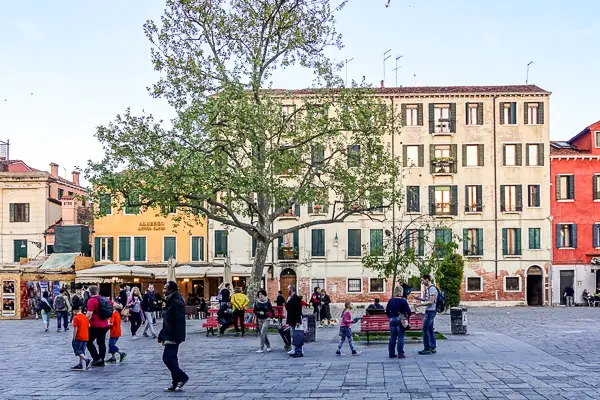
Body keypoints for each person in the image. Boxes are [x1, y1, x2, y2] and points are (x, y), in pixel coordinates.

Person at [158, 281, 189, 392]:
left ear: (171, 290)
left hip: (173, 335)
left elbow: (179, 322)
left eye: (166, 288)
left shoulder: (176, 302)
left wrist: (176, 337)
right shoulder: (171, 301)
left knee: (167, 358)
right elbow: (167, 320)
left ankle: (183, 377)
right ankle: (175, 382)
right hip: (169, 334)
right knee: (173, 359)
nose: (164, 290)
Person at [86, 285, 111, 367]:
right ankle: (102, 359)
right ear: (97, 292)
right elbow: (115, 305)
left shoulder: (91, 301)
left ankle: (96, 358)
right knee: (101, 342)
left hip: (95, 325)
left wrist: (84, 322)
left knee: (88, 341)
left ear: (90, 293)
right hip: (105, 325)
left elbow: (89, 313)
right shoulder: (104, 299)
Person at [386, 287, 412, 359]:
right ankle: (400, 354)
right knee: (400, 337)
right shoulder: (403, 301)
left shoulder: (391, 300)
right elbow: (408, 312)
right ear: (401, 292)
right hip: (401, 320)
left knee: (392, 337)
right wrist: (406, 317)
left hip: (392, 320)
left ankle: (391, 354)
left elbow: (387, 311)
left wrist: (390, 317)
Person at [415, 274, 438, 355]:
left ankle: (427, 348)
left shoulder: (432, 289)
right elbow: (427, 299)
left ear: (427, 279)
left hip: (431, 311)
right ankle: (433, 347)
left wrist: (420, 305)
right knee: (430, 329)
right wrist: (419, 299)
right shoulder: (429, 289)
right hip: (430, 311)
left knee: (425, 329)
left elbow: (431, 302)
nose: (422, 282)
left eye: (423, 280)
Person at [71, 305, 92, 370]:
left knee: (77, 350)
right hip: (85, 337)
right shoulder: (85, 317)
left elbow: (75, 329)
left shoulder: (76, 318)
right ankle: (80, 364)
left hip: (79, 337)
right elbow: (89, 325)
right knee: (82, 351)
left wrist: (74, 337)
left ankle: (87, 360)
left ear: (75, 311)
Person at [285, 285, 303, 357]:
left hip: (295, 319)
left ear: (292, 290)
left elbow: (298, 310)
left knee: (297, 335)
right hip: (291, 319)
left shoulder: (297, 298)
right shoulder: (291, 298)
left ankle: (299, 351)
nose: (287, 291)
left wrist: (298, 320)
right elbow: (288, 308)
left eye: (288, 289)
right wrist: (287, 301)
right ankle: (295, 349)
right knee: (293, 335)